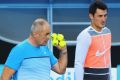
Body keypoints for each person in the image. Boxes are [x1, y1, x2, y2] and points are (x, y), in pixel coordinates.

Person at [0, 18, 68, 80]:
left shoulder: (45, 49)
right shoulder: (19, 50)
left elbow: (60, 70)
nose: (49, 37)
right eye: (46, 34)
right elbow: (4, 78)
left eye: (49, 34)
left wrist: (63, 51)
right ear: (35, 34)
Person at [74, 1, 111, 80]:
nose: (103, 19)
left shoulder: (108, 32)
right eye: (100, 16)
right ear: (91, 16)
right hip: (90, 76)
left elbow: (108, 57)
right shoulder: (85, 35)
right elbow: (79, 63)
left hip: (105, 75)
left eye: (105, 15)